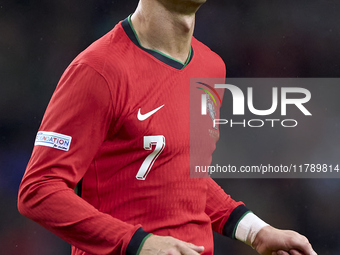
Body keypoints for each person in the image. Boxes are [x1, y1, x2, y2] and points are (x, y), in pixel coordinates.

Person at [18, 1, 318, 255]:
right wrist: (139, 243)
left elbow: (184, 176)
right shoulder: (98, 71)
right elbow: (38, 189)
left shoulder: (211, 68)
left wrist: (256, 231)